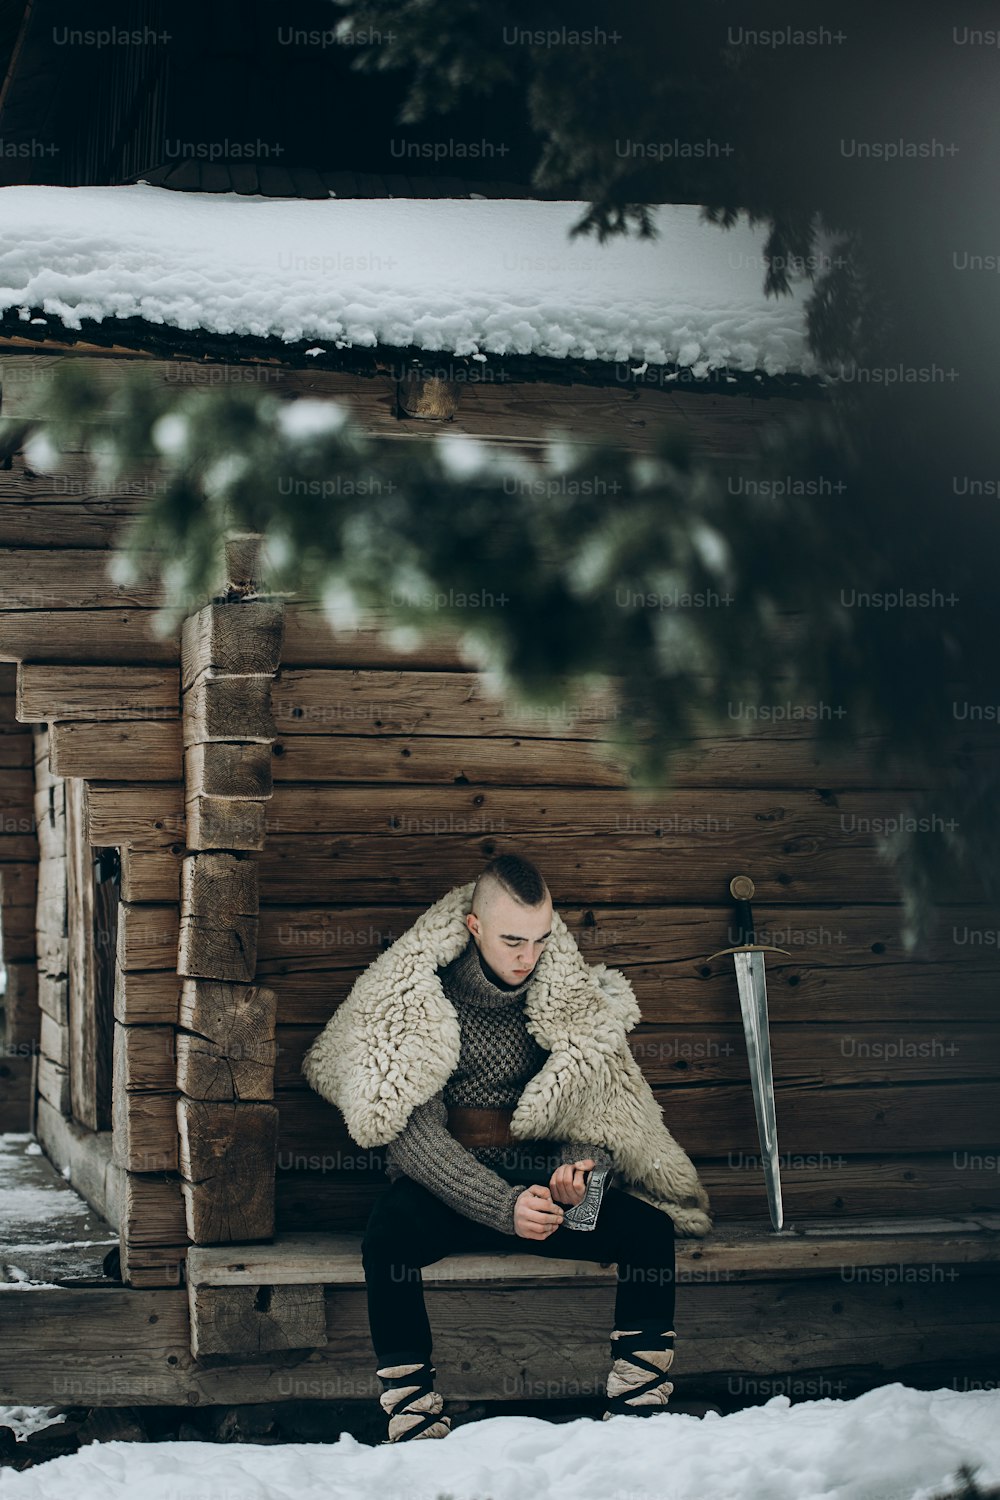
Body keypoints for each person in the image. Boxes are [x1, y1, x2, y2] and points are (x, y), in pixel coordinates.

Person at [303, 854, 712, 1441]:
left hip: (542, 1196)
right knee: (388, 1233)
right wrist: (502, 1207)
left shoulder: (564, 998)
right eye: (513, 940)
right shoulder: (423, 1001)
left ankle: (638, 1406)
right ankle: (413, 1411)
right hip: (450, 1192)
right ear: (474, 929)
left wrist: (580, 1187)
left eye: (540, 941)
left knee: (648, 1232)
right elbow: (412, 1138)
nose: (528, 957)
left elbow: (594, 1103)